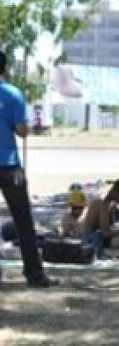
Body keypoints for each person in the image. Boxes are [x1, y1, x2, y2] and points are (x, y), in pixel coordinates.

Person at [0, 50, 58, 287]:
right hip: (9, 165)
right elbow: (21, 130)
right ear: (5, 68)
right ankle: (34, 274)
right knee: (23, 220)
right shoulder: (13, 94)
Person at [80, 177, 119, 249]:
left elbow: (112, 226)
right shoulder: (103, 202)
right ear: (116, 192)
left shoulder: (112, 201)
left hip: (102, 237)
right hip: (92, 241)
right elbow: (106, 232)